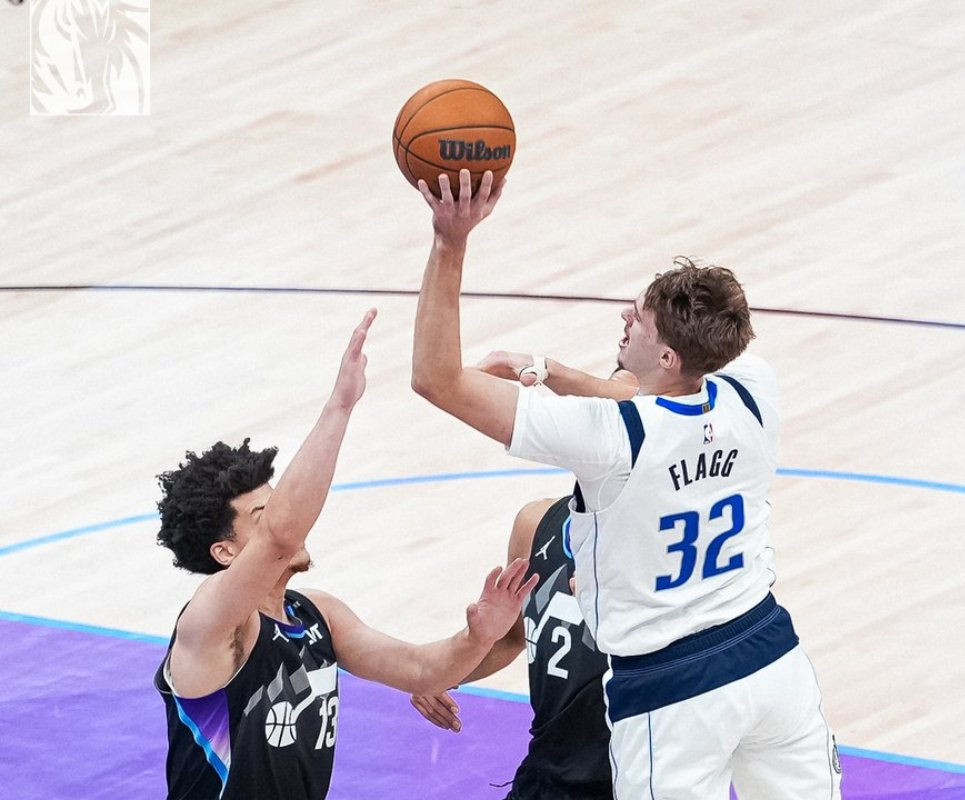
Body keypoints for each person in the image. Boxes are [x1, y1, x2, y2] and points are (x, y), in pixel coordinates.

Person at [408, 171, 841, 799]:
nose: (625, 318)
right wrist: (553, 372)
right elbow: (661, 389)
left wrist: (451, 241)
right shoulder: (752, 393)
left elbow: (437, 378)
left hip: (672, 693)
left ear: (666, 357)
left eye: (639, 320)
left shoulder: (613, 438)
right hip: (771, 662)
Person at [152, 308, 538, 800]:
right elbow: (281, 537)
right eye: (264, 515)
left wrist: (477, 637)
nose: (286, 519)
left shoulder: (317, 615)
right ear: (225, 551)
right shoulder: (210, 622)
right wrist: (339, 405)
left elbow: (423, 670)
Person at [411, 494, 615, 800]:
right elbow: (512, 638)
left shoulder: (664, 533)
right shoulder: (535, 523)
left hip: (634, 778)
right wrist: (441, 671)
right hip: (548, 776)